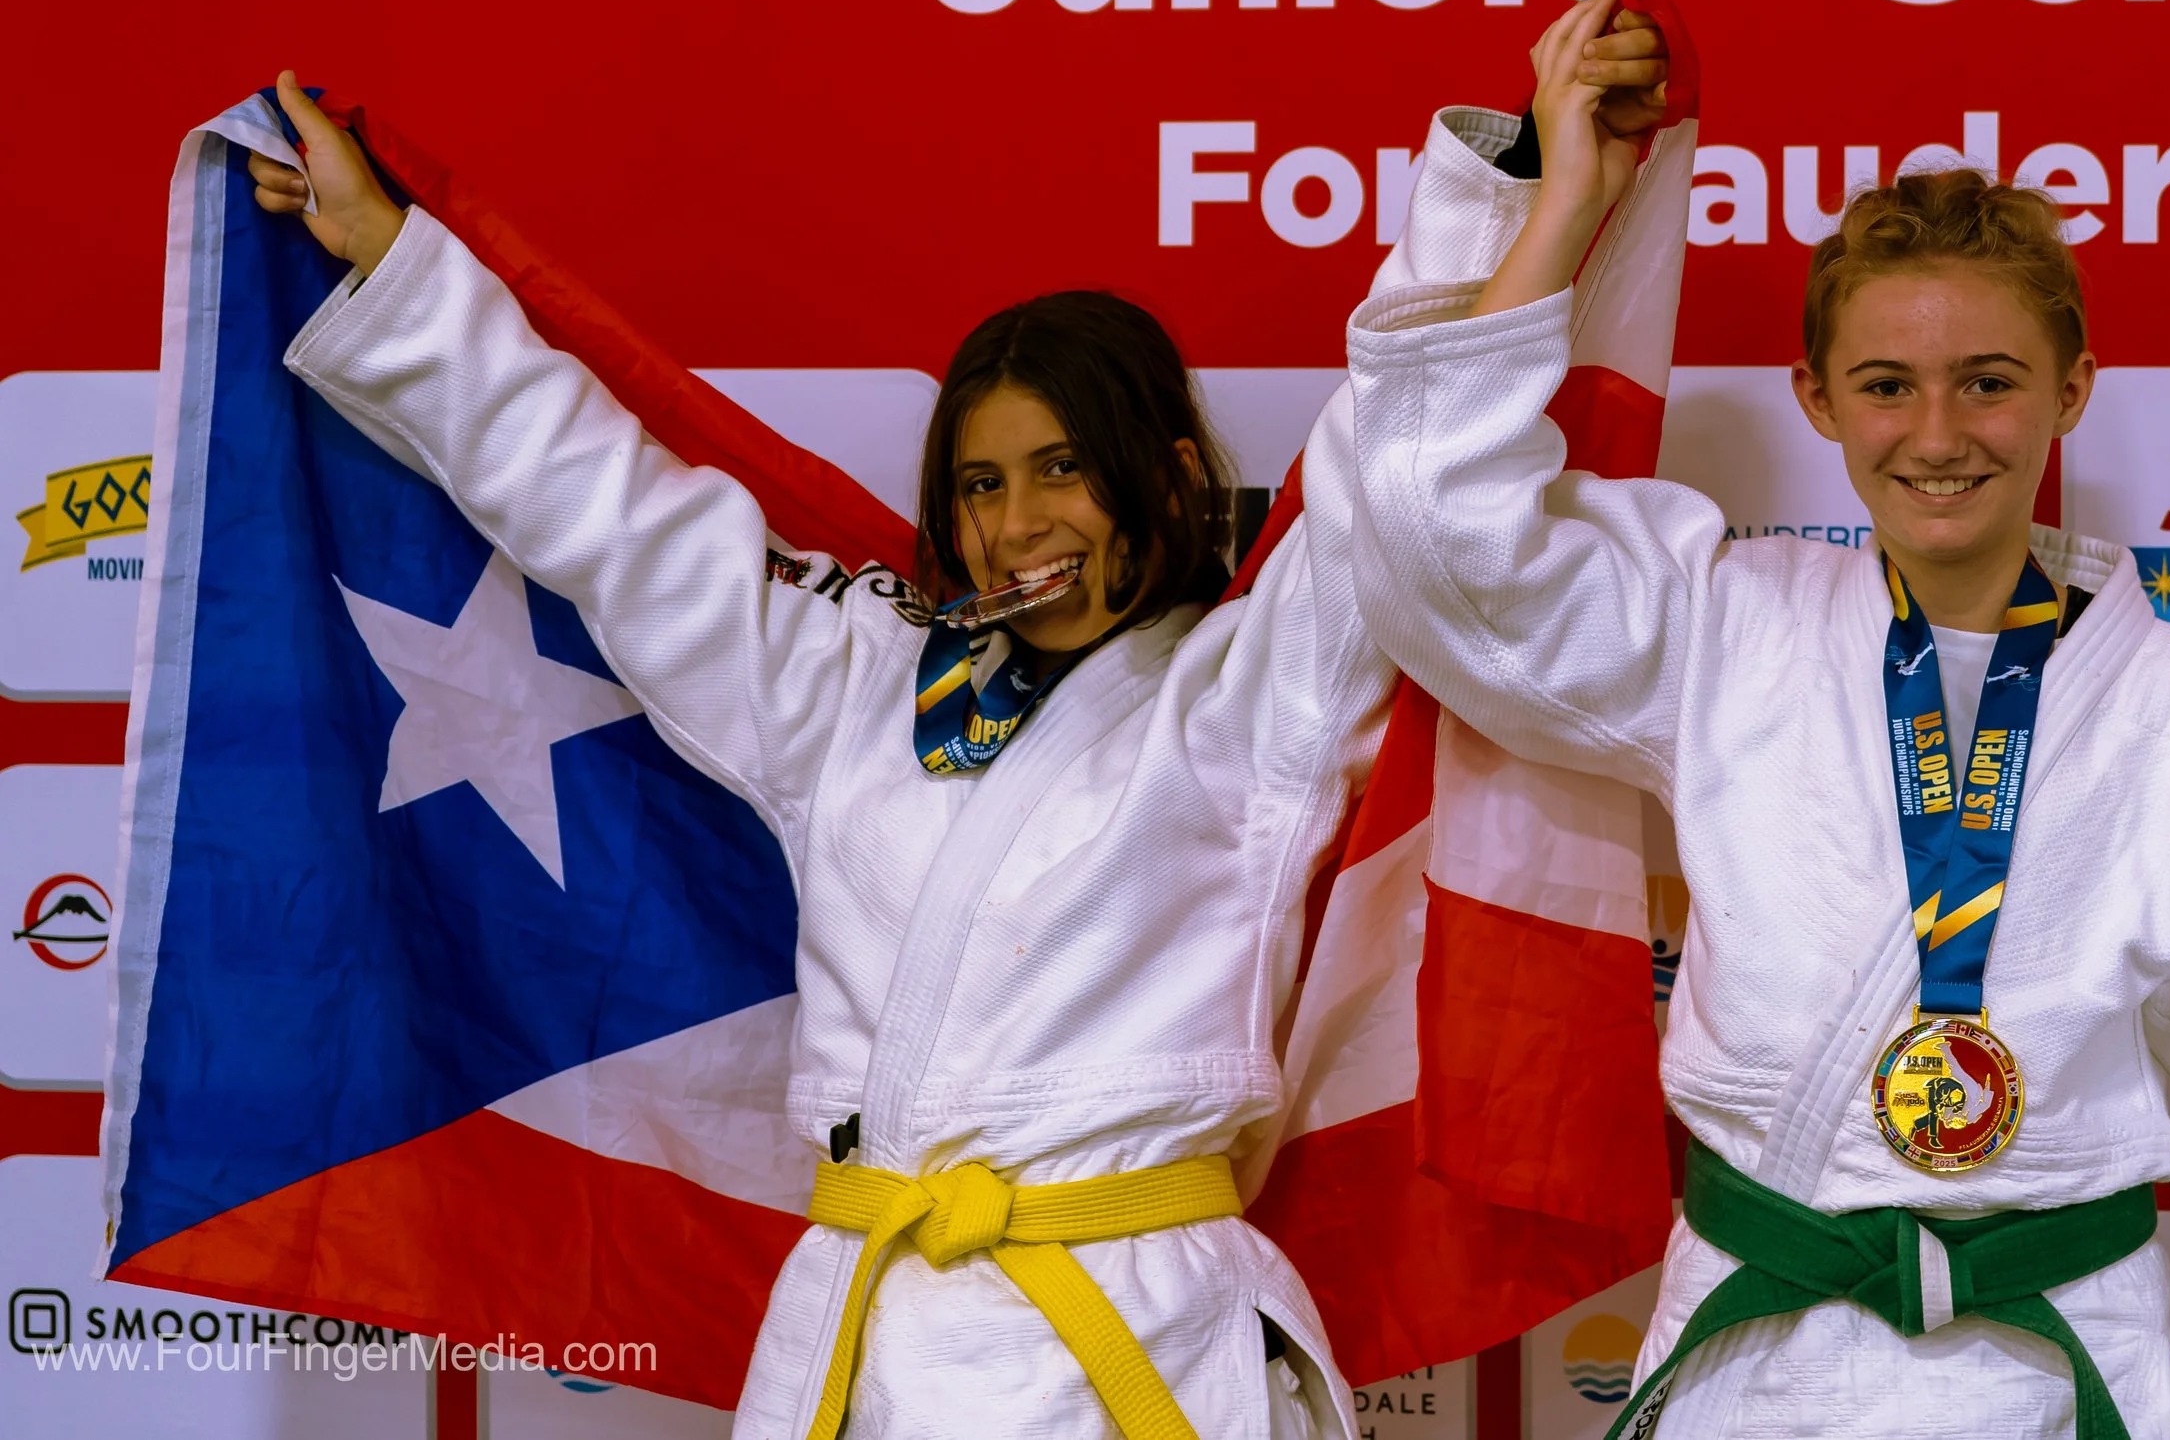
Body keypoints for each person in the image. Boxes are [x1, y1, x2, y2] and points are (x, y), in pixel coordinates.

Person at [245, 73, 1403, 1440]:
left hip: (1140, 1344)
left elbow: (1404, 461)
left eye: (1064, 468)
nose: (1019, 522)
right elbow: (608, 519)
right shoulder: (855, 685)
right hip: (876, 1341)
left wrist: (1512, 186)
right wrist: (395, 264)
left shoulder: (1255, 690)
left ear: (1169, 474)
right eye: (981, 483)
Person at [1338, 0, 2170, 1438]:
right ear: (1818, 398)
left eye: (1990, 382)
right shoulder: (1726, 627)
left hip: (2048, 1375)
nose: (1939, 435)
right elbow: (1436, 554)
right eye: (1887, 385)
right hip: (1754, 1365)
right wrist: (1558, 195)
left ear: (2073, 390)